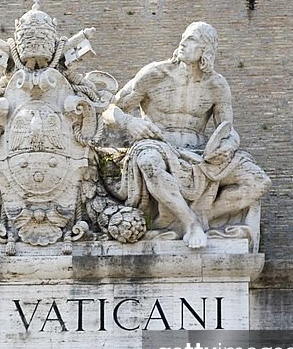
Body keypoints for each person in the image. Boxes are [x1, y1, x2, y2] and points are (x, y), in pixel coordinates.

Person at [104, 22, 270, 248]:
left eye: (191, 39)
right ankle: (190, 222)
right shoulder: (155, 74)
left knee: (258, 181)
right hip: (157, 144)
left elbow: (228, 131)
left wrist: (227, 147)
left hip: (200, 153)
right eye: (183, 37)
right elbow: (109, 110)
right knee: (148, 162)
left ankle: (204, 214)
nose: (183, 42)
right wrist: (129, 122)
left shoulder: (216, 85)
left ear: (206, 50)